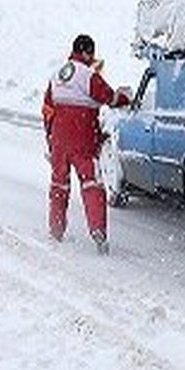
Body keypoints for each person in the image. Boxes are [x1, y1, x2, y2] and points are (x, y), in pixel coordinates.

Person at [43, 34, 131, 254]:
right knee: (92, 184)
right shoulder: (89, 75)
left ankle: (56, 229)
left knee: (59, 185)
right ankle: (98, 232)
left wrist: (51, 138)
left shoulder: (57, 75)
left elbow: (47, 109)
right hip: (82, 139)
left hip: (59, 140)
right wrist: (125, 99)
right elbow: (109, 97)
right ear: (87, 52)